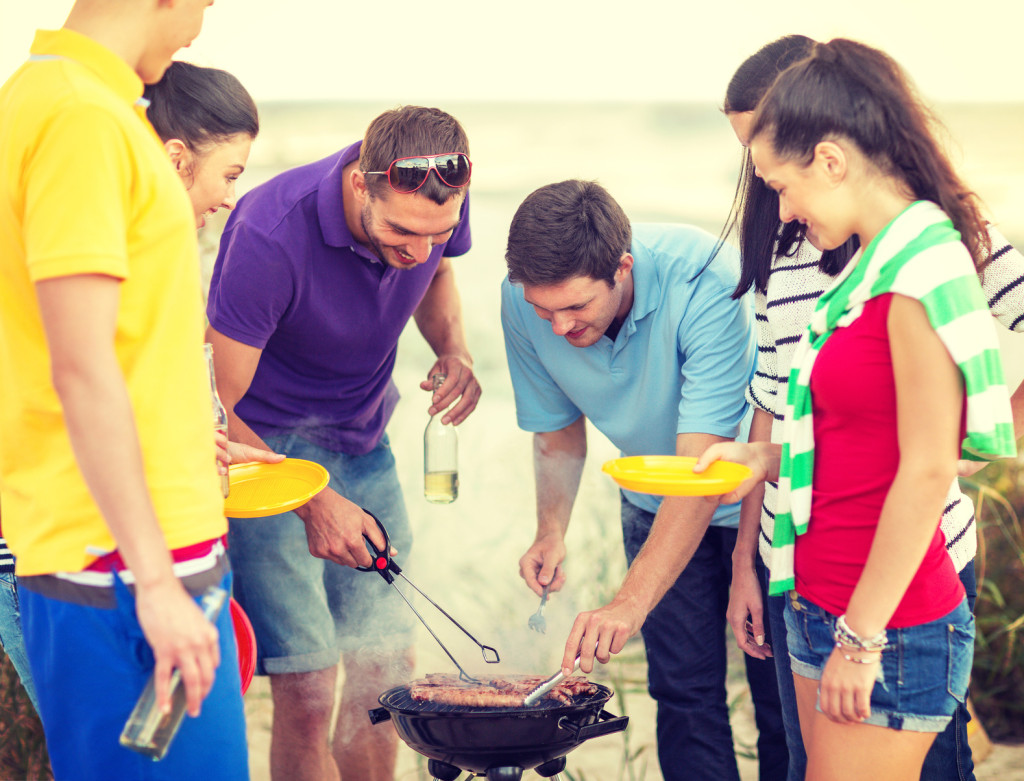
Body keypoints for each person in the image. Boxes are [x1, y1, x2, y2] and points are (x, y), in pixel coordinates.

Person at [697, 38, 1016, 781]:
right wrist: (761, 457)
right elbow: (850, 434)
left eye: (781, 184)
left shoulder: (922, 264)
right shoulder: (873, 261)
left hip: (884, 622)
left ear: (831, 161)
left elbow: (927, 465)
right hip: (816, 593)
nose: (780, 207)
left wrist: (862, 637)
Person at [0, 2, 248, 780]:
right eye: (204, 4)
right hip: (126, 561)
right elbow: (81, 363)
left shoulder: (42, 100)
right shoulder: (83, 119)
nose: (199, 28)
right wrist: (156, 579)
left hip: (107, 549)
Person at [206, 105, 480, 781]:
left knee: (383, 669)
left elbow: (437, 273)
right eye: (402, 232)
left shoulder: (438, 196)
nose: (418, 249)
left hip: (364, 439)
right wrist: (311, 498)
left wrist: (454, 348)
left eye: (437, 233)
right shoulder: (270, 232)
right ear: (362, 184)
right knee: (307, 685)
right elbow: (212, 407)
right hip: (262, 453)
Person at [502, 179, 788, 780]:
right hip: (650, 507)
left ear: (622, 268)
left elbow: (700, 473)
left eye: (576, 307)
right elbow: (556, 429)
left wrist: (626, 605)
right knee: (683, 695)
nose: (557, 327)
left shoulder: (707, 279)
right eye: (542, 309)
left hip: (760, 510)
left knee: (781, 700)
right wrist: (550, 530)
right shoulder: (522, 296)